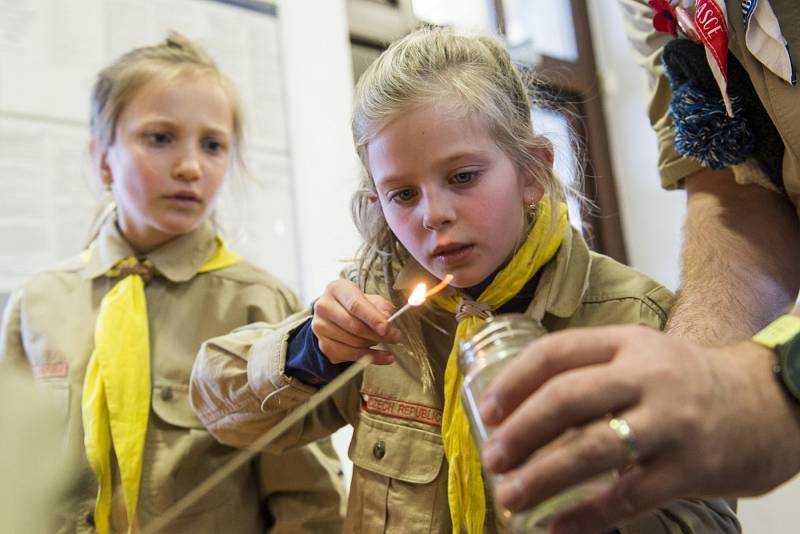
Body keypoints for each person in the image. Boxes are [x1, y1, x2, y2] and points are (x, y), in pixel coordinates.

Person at [189, 26, 738, 533]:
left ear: (532, 172)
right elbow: (220, 410)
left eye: (462, 177)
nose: (433, 215)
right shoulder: (375, 313)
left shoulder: (639, 318)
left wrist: (595, 481)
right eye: (402, 194)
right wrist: (312, 349)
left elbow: (709, 518)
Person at [474, 1, 800, 532]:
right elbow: (732, 187)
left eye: (464, 176)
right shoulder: (647, 8)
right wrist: (705, 374)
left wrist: (781, 378)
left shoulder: (629, 307)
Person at [0, 34, 344, 533]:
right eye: (159, 138)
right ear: (102, 157)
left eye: (212, 145)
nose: (189, 167)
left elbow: (309, 502)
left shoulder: (257, 304)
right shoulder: (38, 301)